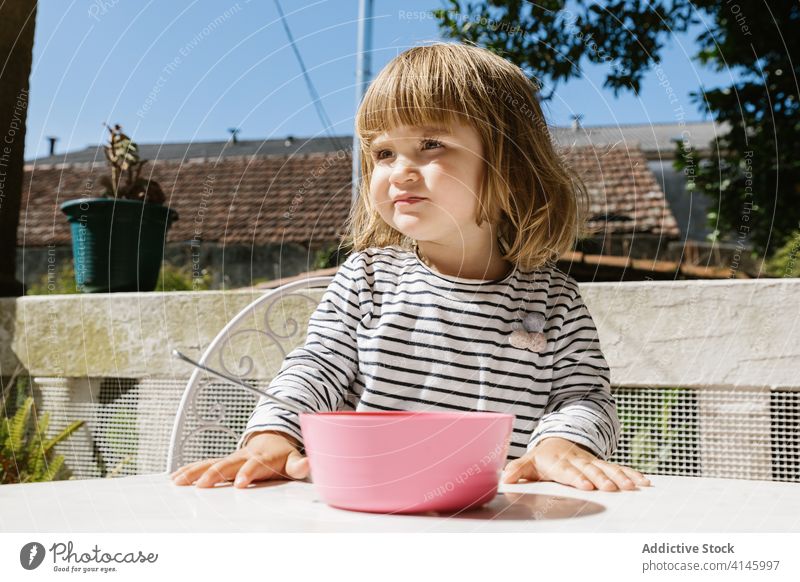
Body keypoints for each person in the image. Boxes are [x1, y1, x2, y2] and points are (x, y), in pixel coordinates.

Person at [172, 42, 651, 493]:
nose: (399, 170)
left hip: (497, 520)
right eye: (383, 153)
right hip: (372, 513)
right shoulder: (367, 280)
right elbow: (316, 368)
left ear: (510, 167)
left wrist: (560, 445)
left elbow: (585, 398)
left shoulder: (555, 302)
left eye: (431, 144)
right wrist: (274, 434)